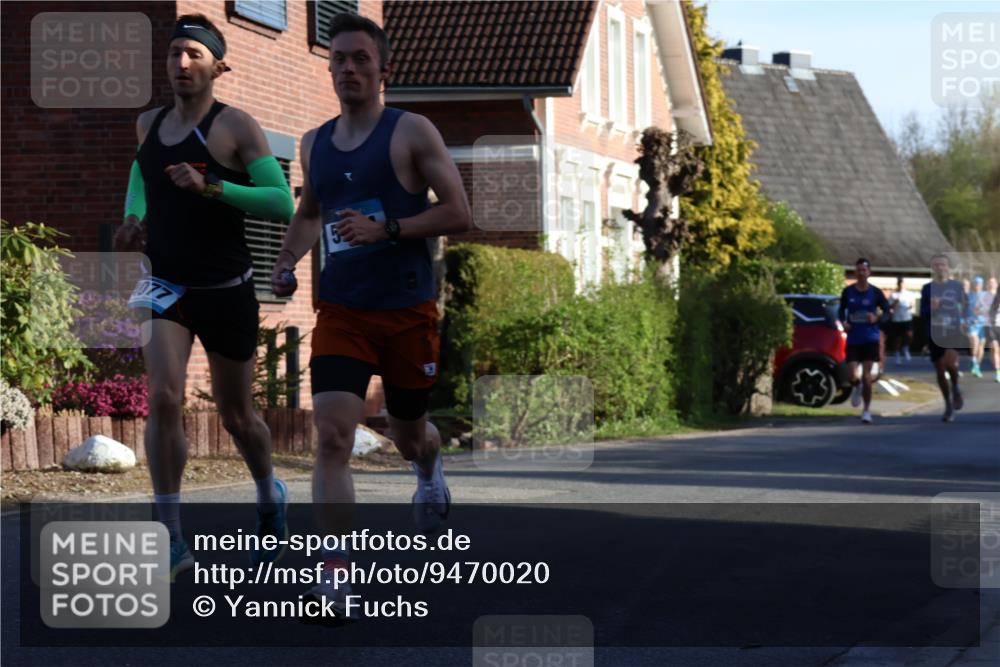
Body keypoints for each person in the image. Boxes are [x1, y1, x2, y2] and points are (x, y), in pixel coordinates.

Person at [270, 13, 472, 615]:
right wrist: (285, 261)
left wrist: (389, 229)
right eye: (339, 59)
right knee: (331, 434)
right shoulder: (314, 142)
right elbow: (311, 212)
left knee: (410, 436)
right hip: (343, 309)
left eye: (360, 58)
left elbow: (458, 211)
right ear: (328, 68)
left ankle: (429, 472)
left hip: (408, 309)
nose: (348, 69)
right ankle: (335, 569)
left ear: (385, 69)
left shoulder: (411, 132)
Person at [115, 14, 295, 579]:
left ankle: (269, 492)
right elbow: (142, 175)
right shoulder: (149, 123)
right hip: (164, 281)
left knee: (239, 417)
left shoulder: (235, 127)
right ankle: (169, 531)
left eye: (194, 53)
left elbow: (280, 203)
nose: (182, 63)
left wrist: (213, 186)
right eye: (174, 54)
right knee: (164, 396)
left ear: (218, 65)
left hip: (226, 288)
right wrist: (132, 218)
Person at [839, 258, 889, 424]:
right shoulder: (848, 292)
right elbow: (840, 312)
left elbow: (888, 312)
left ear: (869, 273)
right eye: (858, 270)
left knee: (867, 376)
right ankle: (856, 386)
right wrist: (844, 323)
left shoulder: (875, 293)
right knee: (852, 373)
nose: (861, 273)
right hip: (853, 338)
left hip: (870, 338)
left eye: (864, 270)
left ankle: (866, 410)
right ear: (855, 273)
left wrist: (876, 318)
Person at [920, 254, 968, 422]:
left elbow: (966, 306)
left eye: (943, 265)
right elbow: (922, 313)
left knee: (951, 364)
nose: (940, 268)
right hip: (935, 332)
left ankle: (955, 387)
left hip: (953, 330)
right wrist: (933, 309)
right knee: (940, 369)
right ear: (933, 268)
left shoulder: (957, 286)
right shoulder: (927, 288)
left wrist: (966, 321)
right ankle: (947, 404)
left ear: (948, 268)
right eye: (937, 265)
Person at [887, 276, 915, 363]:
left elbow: (912, 304)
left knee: (909, 335)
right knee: (897, 338)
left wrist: (911, 305)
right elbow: (889, 306)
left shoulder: (909, 294)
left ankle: (905, 348)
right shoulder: (893, 295)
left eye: (903, 283)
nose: (901, 285)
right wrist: (895, 302)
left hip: (907, 318)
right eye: (900, 283)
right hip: (897, 319)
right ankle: (897, 354)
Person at [967, 276, 990, 377]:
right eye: (976, 284)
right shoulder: (968, 295)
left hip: (983, 323)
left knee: (981, 344)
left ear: (982, 285)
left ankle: (976, 366)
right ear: (973, 285)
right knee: (974, 341)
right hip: (972, 323)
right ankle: (973, 360)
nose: (977, 286)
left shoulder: (986, 295)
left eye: (979, 284)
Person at [984, 276, 1000, 383]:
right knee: (994, 348)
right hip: (992, 325)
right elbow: (991, 311)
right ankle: (998, 372)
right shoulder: (995, 297)